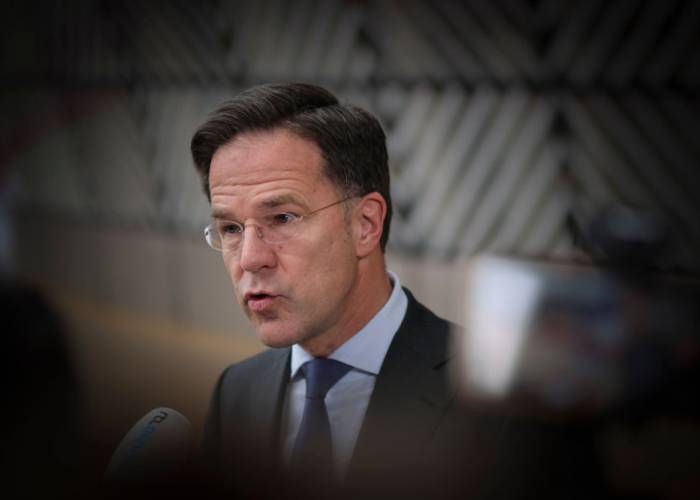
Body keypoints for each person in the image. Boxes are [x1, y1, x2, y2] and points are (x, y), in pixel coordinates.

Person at [190, 83, 602, 499]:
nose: (249, 258)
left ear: (365, 224)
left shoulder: (507, 406)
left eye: (282, 218)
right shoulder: (236, 392)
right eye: (231, 228)